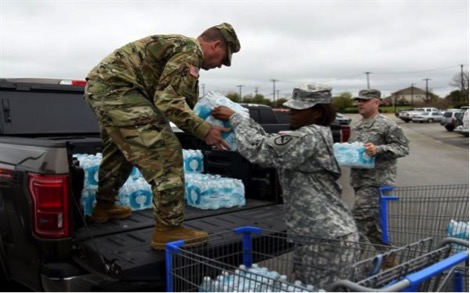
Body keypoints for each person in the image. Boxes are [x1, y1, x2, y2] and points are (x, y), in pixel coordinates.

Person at [83, 23, 240, 250]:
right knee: (165, 151)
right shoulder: (189, 50)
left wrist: (206, 120)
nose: (220, 66)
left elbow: (180, 103)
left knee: (120, 150)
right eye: (223, 59)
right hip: (119, 90)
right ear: (216, 45)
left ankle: (104, 206)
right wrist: (205, 130)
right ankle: (168, 228)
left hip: (106, 88)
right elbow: (168, 102)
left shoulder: (182, 51)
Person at [211, 84, 359, 290]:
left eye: (299, 109)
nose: (292, 113)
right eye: (292, 107)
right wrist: (244, 120)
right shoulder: (313, 133)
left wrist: (236, 119)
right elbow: (267, 141)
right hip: (316, 235)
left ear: (317, 113)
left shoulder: (309, 136)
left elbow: (259, 150)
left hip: (325, 238)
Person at [348, 89, 409, 259]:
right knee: (371, 225)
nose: (360, 103)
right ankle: (390, 256)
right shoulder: (358, 125)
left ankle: (349, 265)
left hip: (377, 182)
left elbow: (403, 148)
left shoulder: (387, 124)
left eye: (365, 100)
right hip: (359, 180)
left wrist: (379, 149)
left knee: (357, 222)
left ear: (376, 102)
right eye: (359, 100)